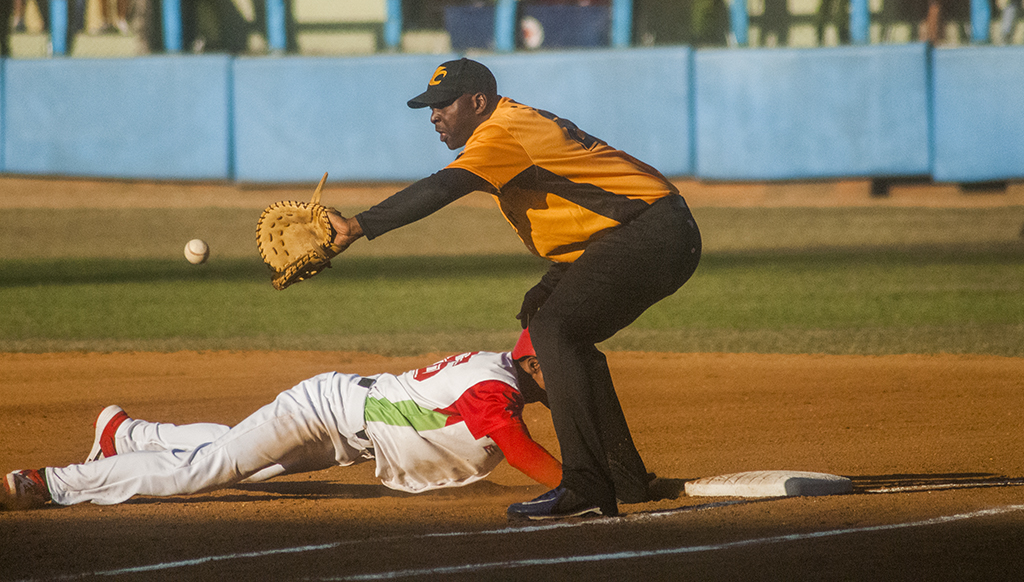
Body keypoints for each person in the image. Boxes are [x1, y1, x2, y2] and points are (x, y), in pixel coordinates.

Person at [324, 58, 702, 519]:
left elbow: (443, 187)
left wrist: (356, 226)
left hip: (650, 231)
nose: (434, 115)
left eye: (444, 104)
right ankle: (625, 480)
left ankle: (585, 484)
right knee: (543, 313)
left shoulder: (502, 132)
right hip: (627, 234)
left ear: (477, 102)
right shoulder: (507, 126)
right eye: (430, 106)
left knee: (558, 330)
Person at [1, 331, 561, 511]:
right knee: (203, 471)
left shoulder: (499, 370)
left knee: (234, 457)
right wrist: (574, 485)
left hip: (342, 433)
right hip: (320, 413)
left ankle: (125, 434)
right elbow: (514, 446)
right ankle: (49, 482)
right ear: (534, 362)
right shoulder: (494, 387)